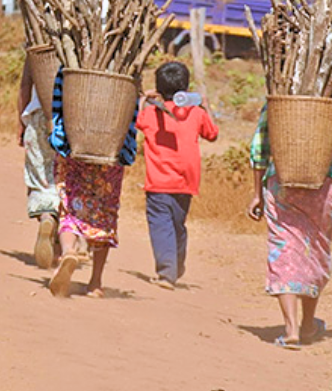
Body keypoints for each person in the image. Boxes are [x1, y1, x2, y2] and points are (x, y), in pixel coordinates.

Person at [247, 99, 332, 349]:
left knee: (284, 249)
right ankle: (308, 324)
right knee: (315, 252)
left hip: (281, 183)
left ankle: (291, 329)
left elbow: (260, 147)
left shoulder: (278, 100)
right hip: (322, 186)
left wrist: (257, 193)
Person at [46, 66, 138, 298]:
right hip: (111, 150)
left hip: (74, 145)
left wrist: (58, 137)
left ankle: (68, 251)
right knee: (104, 212)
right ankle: (95, 282)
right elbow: (131, 112)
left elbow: (58, 104)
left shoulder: (69, 65)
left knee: (70, 207)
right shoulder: (128, 66)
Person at [135, 61, 218, 290]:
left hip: (158, 182)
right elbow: (213, 134)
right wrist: (205, 105)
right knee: (177, 224)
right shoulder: (195, 113)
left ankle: (167, 272)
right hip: (186, 181)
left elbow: (136, 121)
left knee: (161, 224)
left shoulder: (151, 113)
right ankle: (176, 265)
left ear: (159, 87)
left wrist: (144, 99)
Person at [17, 56, 60, 269]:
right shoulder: (83, 40)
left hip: (38, 117)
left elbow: (25, 85)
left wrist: (20, 122)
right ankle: (62, 243)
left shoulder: (38, 46)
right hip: (70, 120)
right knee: (66, 180)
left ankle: (46, 217)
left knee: (40, 178)